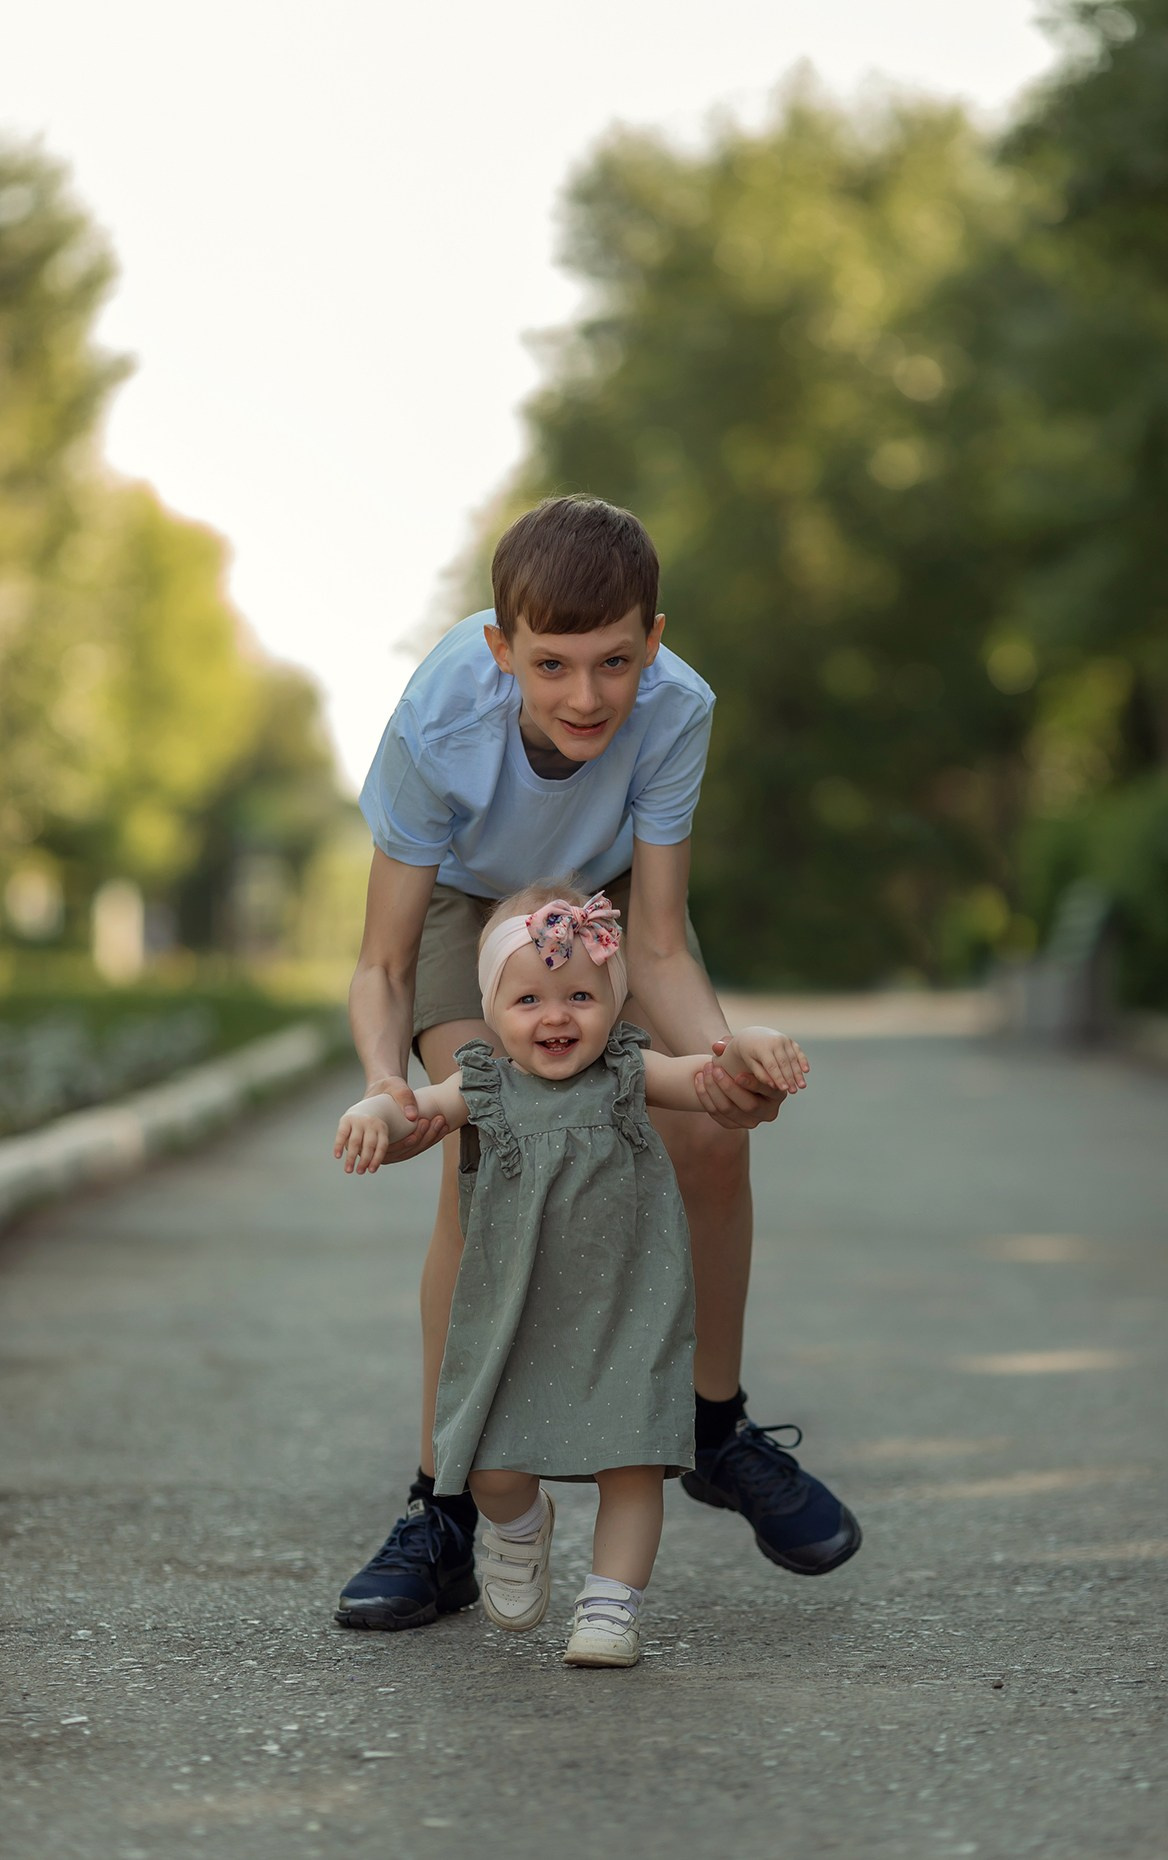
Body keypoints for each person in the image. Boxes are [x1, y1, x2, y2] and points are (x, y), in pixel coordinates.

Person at [334, 492, 861, 1634]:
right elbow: (379, 961)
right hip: (473, 910)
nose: (586, 696)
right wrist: (388, 1081)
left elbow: (658, 939)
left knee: (709, 1127)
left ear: (653, 642)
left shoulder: (676, 711)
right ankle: (446, 1510)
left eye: (614, 660)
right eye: (552, 664)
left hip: (609, 906)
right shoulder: (441, 723)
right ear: (501, 652)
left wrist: (725, 1066)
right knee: (488, 1143)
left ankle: (712, 1427)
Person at [334, 885, 812, 1666]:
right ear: (490, 1010)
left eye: (581, 995)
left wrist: (750, 1041)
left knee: (633, 1466)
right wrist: (373, 1115)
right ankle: (519, 1527)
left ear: (615, 1006)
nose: (555, 1016)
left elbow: (706, 1075)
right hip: (517, 1314)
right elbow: (414, 1111)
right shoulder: (483, 1083)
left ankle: (611, 1606)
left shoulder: (629, 1071)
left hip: (631, 1308)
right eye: (528, 998)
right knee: (490, 1468)